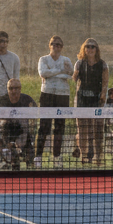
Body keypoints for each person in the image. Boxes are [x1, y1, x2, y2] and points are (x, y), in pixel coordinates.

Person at [35, 35, 72, 167]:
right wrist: (60, 71)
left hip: (63, 96)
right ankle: (38, 157)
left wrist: (53, 73)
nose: (56, 47)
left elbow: (70, 74)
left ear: (62, 47)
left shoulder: (66, 59)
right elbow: (43, 73)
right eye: (54, 44)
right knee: (44, 126)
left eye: (59, 45)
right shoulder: (43, 59)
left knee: (59, 127)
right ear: (49, 45)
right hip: (47, 94)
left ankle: (56, 157)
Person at [74, 38, 108, 165]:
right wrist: (72, 73)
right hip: (82, 99)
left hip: (96, 99)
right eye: (87, 46)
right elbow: (74, 79)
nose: (90, 49)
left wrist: (103, 95)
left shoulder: (103, 64)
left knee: (98, 128)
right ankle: (84, 155)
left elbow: (105, 82)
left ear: (96, 49)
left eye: (93, 46)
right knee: (82, 128)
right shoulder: (79, 63)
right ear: (84, 49)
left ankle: (98, 156)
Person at [0, 78, 37, 166]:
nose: (14, 91)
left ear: (20, 88)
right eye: (11, 88)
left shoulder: (27, 99)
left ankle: (21, 150)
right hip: (7, 129)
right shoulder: (2, 100)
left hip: (22, 129)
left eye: (16, 88)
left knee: (23, 121)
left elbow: (35, 112)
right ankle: (10, 153)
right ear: (7, 89)